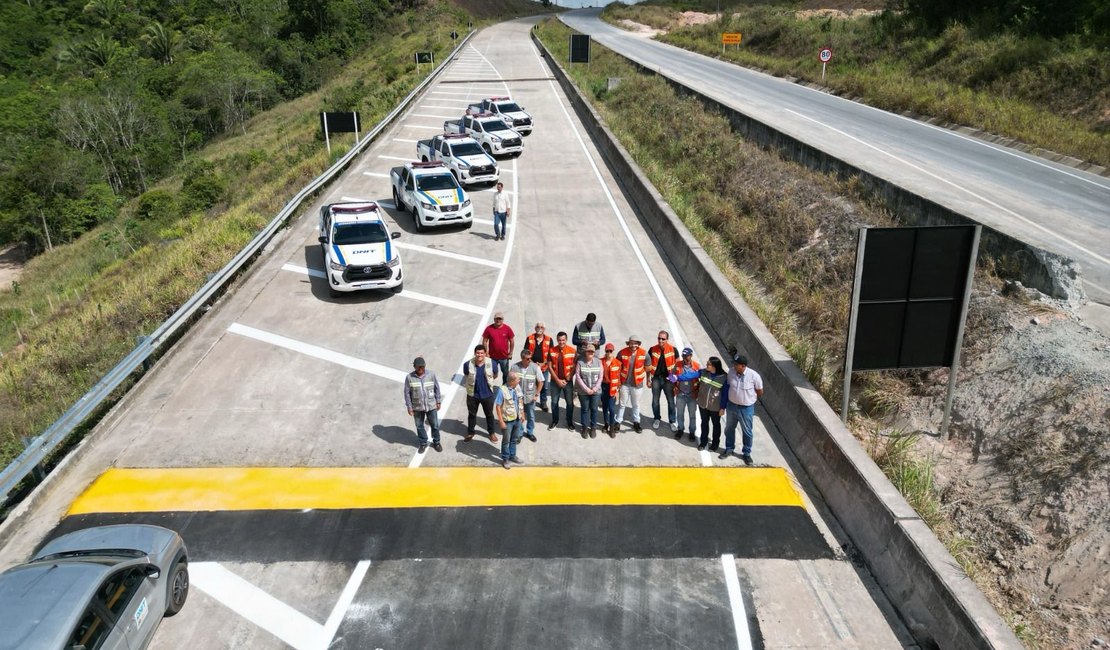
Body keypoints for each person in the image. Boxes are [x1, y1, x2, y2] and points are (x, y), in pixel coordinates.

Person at [721, 354, 764, 464]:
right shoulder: (731, 372)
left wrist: (748, 399)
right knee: (729, 429)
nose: (734, 366)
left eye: (736, 364)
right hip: (732, 406)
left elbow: (760, 391)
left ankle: (746, 453)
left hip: (746, 409)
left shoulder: (754, 376)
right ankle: (729, 449)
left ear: (743, 366)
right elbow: (728, 386)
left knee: (747, 432)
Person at [403, 356, 442, 453]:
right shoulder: (409, 377)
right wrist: (409, 406)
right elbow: (407, 393)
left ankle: (436, 442)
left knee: (435, 425)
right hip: (417, 407)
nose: (421, 369)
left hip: (431, 405)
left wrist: (438, 401)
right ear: (414, 367)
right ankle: (423, 443)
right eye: (418, 367)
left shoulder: (431, 375)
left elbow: (437, 388)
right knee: (419, 426)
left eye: (423, 367)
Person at [462, 344, 499, 443]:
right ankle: (471, 432)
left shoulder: (492, 363)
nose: (479, 355)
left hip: (487, 394)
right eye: (478, 353)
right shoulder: (467, 364)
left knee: (489, 415)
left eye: (482, 353)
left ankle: (491, 433)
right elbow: (466, 374)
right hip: (473, 395)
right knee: (472, 414)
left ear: (485, 353)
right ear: (475, 353)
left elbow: (495, 374)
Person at [511, 348, 544, 442]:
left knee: (531, 416)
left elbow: (540, 382)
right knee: (519, 416)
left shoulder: (535, 368)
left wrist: (536, 395)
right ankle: (520, 433)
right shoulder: (514, 367)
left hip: (530, 398)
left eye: (530, 358)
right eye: (527, 359)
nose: (530, 360)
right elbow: (510, 381)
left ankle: (530, 432)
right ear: (522, 358)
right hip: (518, 398)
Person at [693, 356, 727, 451]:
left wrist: (722, 408)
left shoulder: (724, 378)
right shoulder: (703, 372)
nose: (706, 365)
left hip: (715, 407)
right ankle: (703, 442)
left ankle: (715, 444)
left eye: (709, 364)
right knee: (704, 423)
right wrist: (677, 377)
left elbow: (725, 395)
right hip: (703, 404)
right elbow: (691, 375)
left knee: (716, 425)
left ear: (714, 366)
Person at [647, 330, 678, 431]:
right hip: (655, 379)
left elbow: (678, 366)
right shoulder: (652, 349)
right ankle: (657, 418)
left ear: (667, 339)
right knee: (655, 401)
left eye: (663, 339)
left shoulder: (673, 350)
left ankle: (672, 421)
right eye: (659, 338)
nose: (660, 340)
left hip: (668, 380)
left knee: (671, 401)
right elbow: (647, 366)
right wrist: (648, 379)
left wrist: (676, 381)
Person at [615, 335, 647, 433]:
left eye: (635, 343)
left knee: (636, 405)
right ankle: (618, 422)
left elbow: (648, 367)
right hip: (625, 384)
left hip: (637, 385)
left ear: (638, 344)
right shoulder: (622, 353)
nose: (633, 345)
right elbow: (617, 368)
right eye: (632, 343)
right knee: (622, 404)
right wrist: (617, 382)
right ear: (628, 343)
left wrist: (648, 379)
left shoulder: (644, 354)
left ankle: (636, 422)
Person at [547, 331, 577, 430]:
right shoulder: (551, 350)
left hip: (567, 382)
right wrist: (557, 380)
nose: (561, 342)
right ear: (557, 340)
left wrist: (568, 378)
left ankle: (569, 422)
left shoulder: (572, 351)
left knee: (569, 403)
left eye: (563, 340)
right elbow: (550, 367)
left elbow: (575, 366)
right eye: (559, 340)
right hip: (555, 382)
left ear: (566, 340)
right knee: (554, 402)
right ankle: (555, 421)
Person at [495, 371, 525, 469]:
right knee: (506, 441)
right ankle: (505, 458)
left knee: (514, 439)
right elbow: (498, 407)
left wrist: (522, 415)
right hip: (507, 421)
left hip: (517, 419)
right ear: (512, 381)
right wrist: (501, 422)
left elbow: (520, 401)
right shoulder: (502, 390)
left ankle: (512, 456)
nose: (519, 381)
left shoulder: (517, 388)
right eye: (518, 379)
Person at [574, 344, 603, 438]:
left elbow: (601, 377)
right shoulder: (580, 362)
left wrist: (594, 389)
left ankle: (593, 427)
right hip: (583, 391)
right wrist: (586, 389)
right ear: (585, 352)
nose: (590, 353)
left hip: (596, 391)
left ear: (594, 353)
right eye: (588, 351)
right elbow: (578, 377)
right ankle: (585, 428)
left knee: (594, 409)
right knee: (585, 409)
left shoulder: (599, 362)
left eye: (592, 351)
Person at [523, 322, 553, 413]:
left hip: (544, 367)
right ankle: (529, 402)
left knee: (544, 386)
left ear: (544, 329)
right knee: (530, 385)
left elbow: (551, 354)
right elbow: (525, 352)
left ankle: (543, 403)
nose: (540, 328)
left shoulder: (549, 339)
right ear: (535, 328)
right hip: (532, 366)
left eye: (542, 327)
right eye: (538, 327)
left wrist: (543, 363)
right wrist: (533, 363)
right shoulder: (530, 338)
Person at [673, 347, 700, 442]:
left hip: (692, 395)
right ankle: (680, 429)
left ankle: (692, 432)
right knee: (680, 414)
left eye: (686, 356)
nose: (684, 358)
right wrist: (674, 386)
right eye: (683, 355)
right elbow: (671, 376)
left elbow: (700, 381)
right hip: (680, 394)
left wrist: (697, 392)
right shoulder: (678, 365)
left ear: (691, 356)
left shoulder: (696, 366)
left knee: (692, 415)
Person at [482, 312, 515, 380]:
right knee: (491, 372)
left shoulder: (507, 328)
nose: (498, 320)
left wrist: (510, 353)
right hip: (492, 357)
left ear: (503, 320)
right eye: (497, 319)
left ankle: (504, 387)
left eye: (500, 319)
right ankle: (490, 385)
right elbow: (485, 341)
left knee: (505, 373)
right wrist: (486, 353)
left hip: (504, 357)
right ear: (494, 319)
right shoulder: (489, 329)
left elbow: (512, 341)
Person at [600, 342, 621, 437]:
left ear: (613, 351)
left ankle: (612, 428)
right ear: (605, 351)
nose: (609, 353)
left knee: (612, 409)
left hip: (612, 387)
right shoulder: (601, 361)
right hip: (603, 387)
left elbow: (619, 378)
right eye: (607, 351)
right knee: (604, 407)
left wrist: (617, 391)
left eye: (610, 351)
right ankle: (606, 424)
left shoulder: (618, 363)